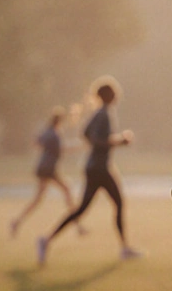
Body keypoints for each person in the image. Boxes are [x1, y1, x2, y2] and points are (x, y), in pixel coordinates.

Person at [36, 76, 138, 266]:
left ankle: (46, 240)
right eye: (114, 92)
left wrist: (111, 141)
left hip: (97, 167)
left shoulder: (101, 112)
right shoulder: (103, 114)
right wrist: (119, 141)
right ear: (108, 95)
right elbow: (98, 140)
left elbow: (87, 134)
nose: (117, 95)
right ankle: (124, 249)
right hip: (98, 168)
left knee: (94, 207)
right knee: (112, 204)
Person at [9, 107, 78, 238]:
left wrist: (47, 151)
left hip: (43, 168)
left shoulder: (47, 132)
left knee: (39, 199)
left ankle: (17, 221)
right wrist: (79, 146)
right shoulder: (55, 134)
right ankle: (76, 223)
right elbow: (62, 149)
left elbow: (36, 142)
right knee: (67, 190)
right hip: (48, 169)